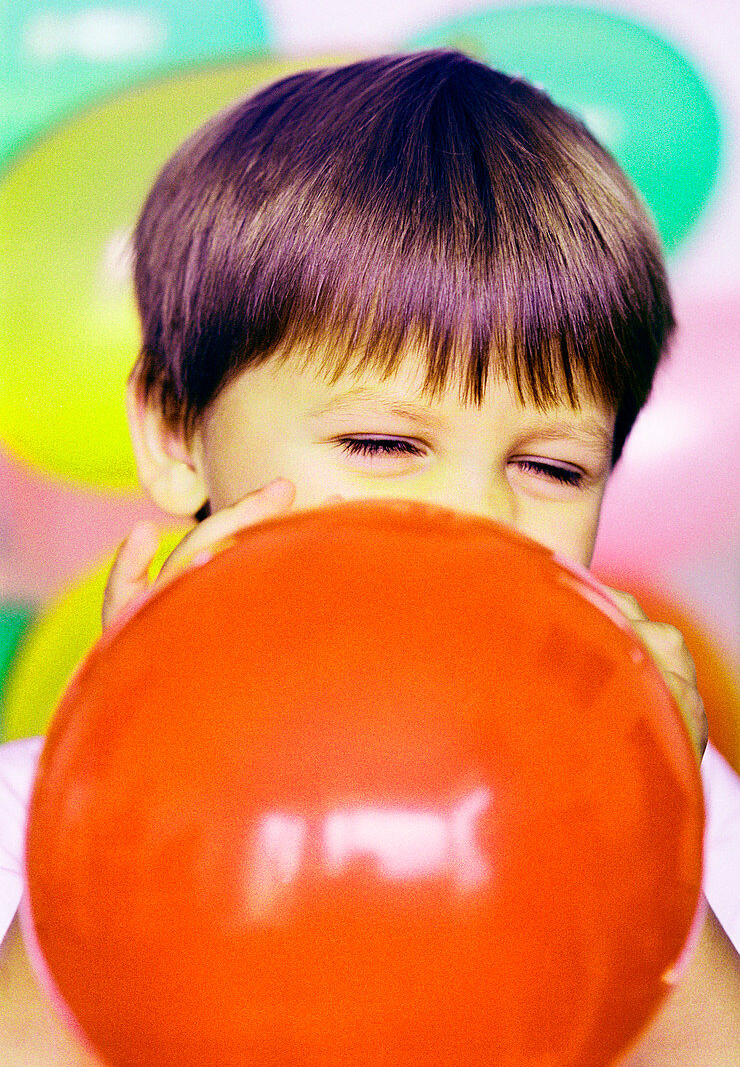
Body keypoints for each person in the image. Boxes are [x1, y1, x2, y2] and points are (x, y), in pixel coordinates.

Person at [1, 51, 739, 1064]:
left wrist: (645, 832)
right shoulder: (27, 812)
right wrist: (118, 778)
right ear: (177, 432)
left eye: (550, 466)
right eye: (383, 445)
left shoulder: (680, 803)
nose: (473, 511)